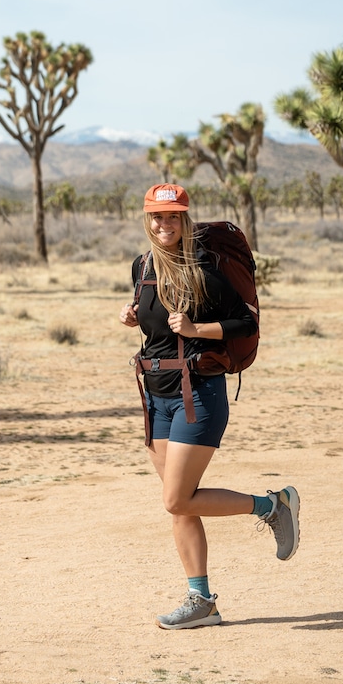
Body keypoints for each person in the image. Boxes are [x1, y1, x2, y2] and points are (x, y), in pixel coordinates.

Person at [119, 183, 300, 630]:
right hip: (157, 395)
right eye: (158, 217)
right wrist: (132, 316)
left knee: (176, 498)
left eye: (174, 216)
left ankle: (271, 506)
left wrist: (199, 327)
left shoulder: (203, 264)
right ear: (148, 220)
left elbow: (245, 321)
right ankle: (201, 601)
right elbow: (157, 329)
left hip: (199, 394)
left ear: (186, 219)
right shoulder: (142, 266)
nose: (166, 224)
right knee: (181, 505)